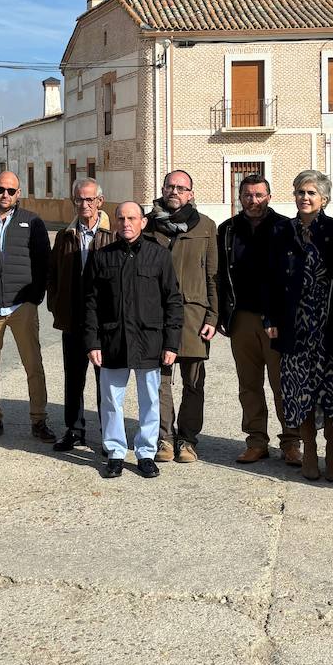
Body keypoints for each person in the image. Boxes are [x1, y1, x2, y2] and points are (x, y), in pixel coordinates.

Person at [83, 201, 184, 479]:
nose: (126, 223)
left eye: (132, 218)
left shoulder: (159, 256)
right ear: (115, 222)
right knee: (111, 401)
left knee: (150, 400)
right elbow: (90, 304)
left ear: (143, 222)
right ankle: (115, 452)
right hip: (112, 341)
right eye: (121, 218)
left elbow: (173, 301)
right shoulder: (102, 257)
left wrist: (171, 343)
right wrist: (93, 342)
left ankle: (146, 453)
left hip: (149, 341)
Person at [266, 170, 333, 482]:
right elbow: (271, 278)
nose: (305, 198)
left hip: (329, 325)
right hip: (295, 325)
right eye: (300, 192)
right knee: (299, 392)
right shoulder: (281, 230)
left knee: (331, 391)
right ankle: (309, 450)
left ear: (324, 199)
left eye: (311, 193)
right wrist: (270, 319)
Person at [217, 174, 302, 465]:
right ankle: (256, 441)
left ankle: (291, 442)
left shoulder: (286, 227)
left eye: (259, 195)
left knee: (283, 384)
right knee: (249, 385)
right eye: (248, 195)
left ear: (269, 196)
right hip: (241, 318)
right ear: (239, 197)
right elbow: (219, 275)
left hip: (276, 321)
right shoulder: (227, 230)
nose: (253, 201)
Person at [0, 171, 54, 442]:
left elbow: (43, 262)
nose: (5, 194)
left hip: (21, 307)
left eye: (11, 191)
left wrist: (34, 298)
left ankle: (38, 420)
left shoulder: (32, 222)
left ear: (19, 194)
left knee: (33, 366)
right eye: (1, 189)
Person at [145, 170, 218, 464]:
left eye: (181, 187)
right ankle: (165, 438)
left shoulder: (206, 226)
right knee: (160, 381)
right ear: (163, 189)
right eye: (170, 186)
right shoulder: (148, 226)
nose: (174, 191)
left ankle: (187, 440)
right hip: (156, 315)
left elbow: (213, 275)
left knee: (193, 381)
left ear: (191, 194)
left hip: (194, 315)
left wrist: (213, 316)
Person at [45, 177, 113, 452]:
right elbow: (53, 275)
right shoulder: (65, 236)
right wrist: (56, 304)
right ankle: (74, 430)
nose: (84, 204)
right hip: (72, 319)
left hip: (104, 322)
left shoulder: (113, 234)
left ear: (100, 201)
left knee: (105, 381)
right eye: (79, 199)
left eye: (89, 199)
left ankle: (109, 435)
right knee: (73, 378)